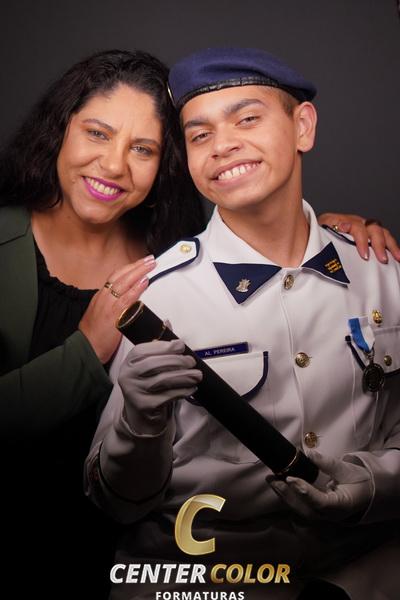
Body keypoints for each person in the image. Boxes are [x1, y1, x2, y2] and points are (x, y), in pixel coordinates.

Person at [85, 47, 400, 600]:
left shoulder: (382, 272)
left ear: (302, 127)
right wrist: (139, 422)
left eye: (247, 118)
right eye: (199, 134)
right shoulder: (159, 296)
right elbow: (117, 502)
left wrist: (377, 485)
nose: (222, 144)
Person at [0, 49, 204, 599]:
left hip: (121, 567)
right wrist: (88, 347)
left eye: (142, 149)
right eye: (97, 133)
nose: (114, 165)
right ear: (59, 131)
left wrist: (337, 233)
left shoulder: (175, 261)